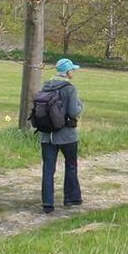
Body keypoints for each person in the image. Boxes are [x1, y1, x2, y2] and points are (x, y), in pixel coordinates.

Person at [34, 57, 85, 214]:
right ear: (68, 71)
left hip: (46, 136)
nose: (73, 72)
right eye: (72, 70)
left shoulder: (45, 85)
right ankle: (71, 197)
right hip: (66, 136)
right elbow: (73, 112)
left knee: (48, 169)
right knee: (71, 165)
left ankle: (47, 203)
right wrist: (81, 105)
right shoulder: (69, 88)